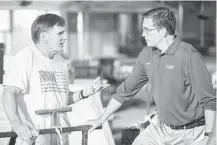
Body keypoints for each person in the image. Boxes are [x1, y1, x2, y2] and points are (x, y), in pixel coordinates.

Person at [85, 7, 216, 145]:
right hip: (161, 128)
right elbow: (125, 90)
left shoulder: (189, 56)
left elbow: (209, 100)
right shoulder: (147, 54)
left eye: (147, 30)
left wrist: (209, 137)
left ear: (163, 31)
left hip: (191, 133)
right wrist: (101, 119)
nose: (142, 34)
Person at [2, 13, 109, 145]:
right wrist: (16, 124)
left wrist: (83, 94)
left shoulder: (61, 63)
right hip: (34, 135)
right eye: (60, 33)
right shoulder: (25, 57)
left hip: (60, 134)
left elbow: (61, 99)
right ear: (43, 36)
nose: (65, 38)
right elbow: (9, 93)